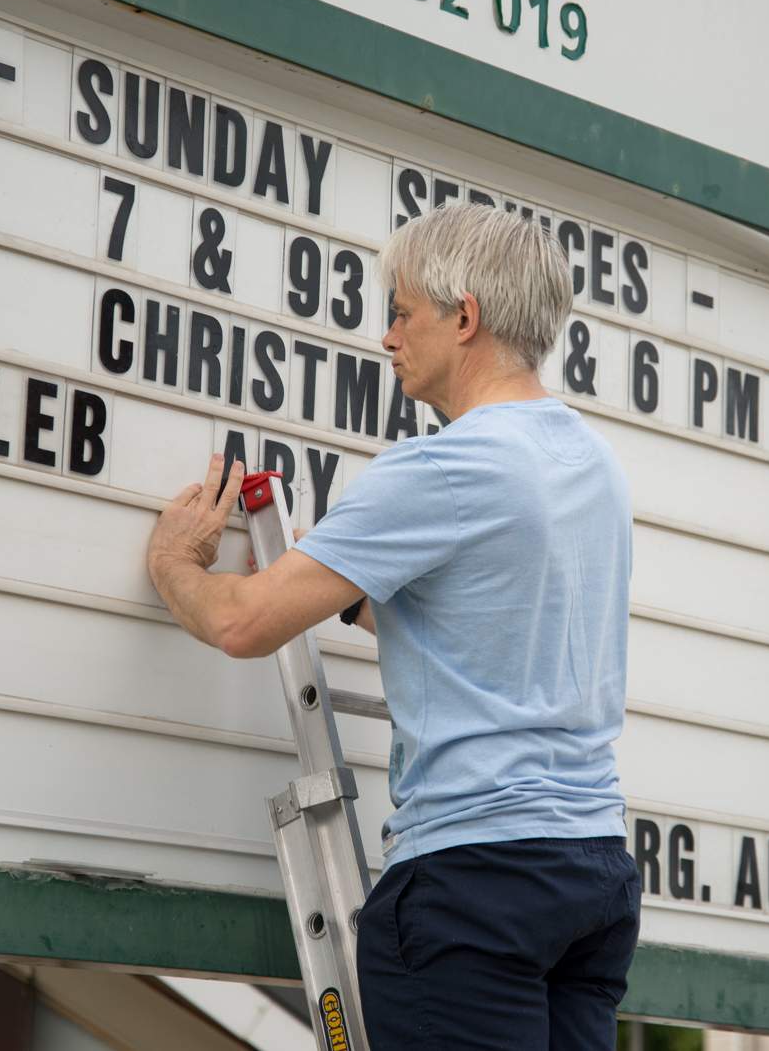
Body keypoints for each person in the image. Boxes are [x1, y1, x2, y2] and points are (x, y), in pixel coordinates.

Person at [146, 202, 638, 1049]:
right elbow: (484, 620)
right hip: (591, 871)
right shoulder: (594, 466)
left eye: (401, 312)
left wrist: (174, 567)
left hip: (476, 880)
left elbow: (244, 624)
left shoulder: (444, 466)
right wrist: (342, 579)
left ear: (465, 317)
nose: (386, 337)